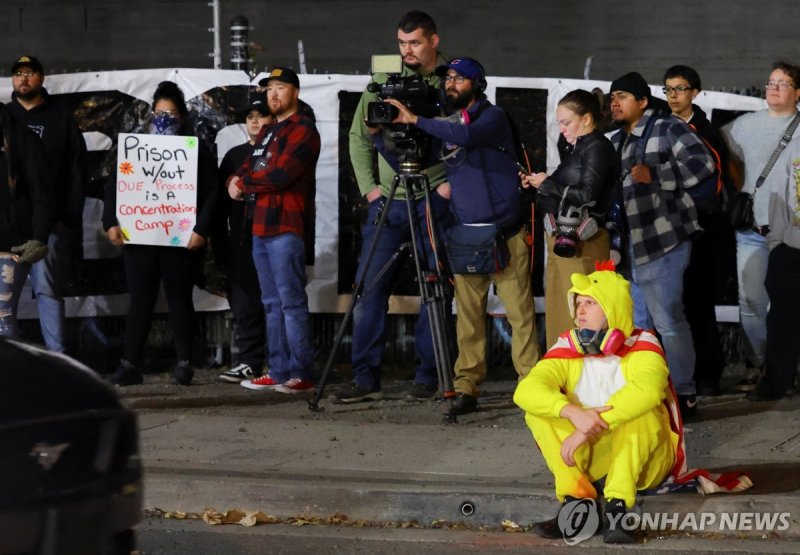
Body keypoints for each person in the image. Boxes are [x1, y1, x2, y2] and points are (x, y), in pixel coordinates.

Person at [380, 57, 540, 415]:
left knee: (521, 316)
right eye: (447, 78)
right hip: (467, 237)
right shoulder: (445, 126)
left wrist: (417, 119)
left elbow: (467, 135)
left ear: (477, 84)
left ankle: (531, 388)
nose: (450, 84)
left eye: (459, 78)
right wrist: (382, 137)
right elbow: (415, 162)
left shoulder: (492, 117)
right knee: (468, 318)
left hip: (506, 233)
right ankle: (467, 387)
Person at [330, 11, 452, 404]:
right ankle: (364, 377)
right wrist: (370, 191)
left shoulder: (451, 80)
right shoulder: (383, 82)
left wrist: (449, 185)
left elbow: (467, 135)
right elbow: (359, 137)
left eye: (415, 43)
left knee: (435, 288)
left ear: (433, 40)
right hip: (389, 201)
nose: (407, 51)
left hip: (432, 198)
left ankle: (428, 375)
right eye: (401, 44)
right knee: (368, 289)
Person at [514, 264, 678, 544]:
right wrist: (572, 413)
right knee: (539, 413)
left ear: (612, 307)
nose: (580, 310)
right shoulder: (567, 348)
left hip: (645, 464)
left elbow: (648, 390)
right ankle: (577, 505)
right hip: (591, 459)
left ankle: (618, 508)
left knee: (643, 413)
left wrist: (586, 427)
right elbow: (526, 390)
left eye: (590, 302)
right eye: (578, 303)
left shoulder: (644, 345)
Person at [607, 71, 715, 419]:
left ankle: (685, 394)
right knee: (641, 323)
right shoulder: (615, 140)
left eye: (622, 96)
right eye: (612, 98)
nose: (615, 103)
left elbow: (704, 164)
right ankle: (651, 391)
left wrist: (657, 176)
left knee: (668, 319)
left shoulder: (667, 127)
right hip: (633, 247)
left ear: (641, 101)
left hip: (664, 239)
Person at [103, 81, 218, 386]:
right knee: (140, 299)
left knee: (180, 297)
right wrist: (109, 221)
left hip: (178, 237)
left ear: (182, 115)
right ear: (151, 112)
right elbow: (114, 185)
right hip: (139, 235)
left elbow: (210, 193)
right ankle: (129, 363)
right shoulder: (135, 145)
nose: (165, 116)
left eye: (172, 112)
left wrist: (200, 230)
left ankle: (184, 362)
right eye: (160, 111)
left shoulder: (195, 149)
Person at [227, 66, 320, 394]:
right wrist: (233, 180)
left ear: (295, 91)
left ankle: (302, 372)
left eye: (280, 87)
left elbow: (281, 175)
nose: (274, 94)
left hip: (285, 227)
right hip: (261, 229)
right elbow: (247, 165)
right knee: (270, 302)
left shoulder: (303, 130)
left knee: (291, 302)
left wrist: (244, 184)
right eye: (270, 89)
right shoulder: (268, 132)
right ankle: (279, 369)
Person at [721, 61, 800, 391]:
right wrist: (740, 186)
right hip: (753, 230)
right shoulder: (744, 125)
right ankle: (762, 362)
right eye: (770, 82)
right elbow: (724, 151)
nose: (773, 88)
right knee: (750, 301)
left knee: (790, 302)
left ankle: (786, 366)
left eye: (782, 84)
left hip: (791, 232)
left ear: (797, 93)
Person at [521, 89, 617, 349]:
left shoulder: (597, 147)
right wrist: (540, 185)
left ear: (586, 119)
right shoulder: (578, 147)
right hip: (562, 237)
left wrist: (548, 183)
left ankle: (580, 370)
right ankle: (561, 367)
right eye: (559, 123)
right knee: (559, 308)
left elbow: (588, 194)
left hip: (584, 242)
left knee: (580, 310)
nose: (562, 129)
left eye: (566, 122)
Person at [7, 55, 87, 354]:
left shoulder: (60, 117)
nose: (23, 78)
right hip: (12, 227)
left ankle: (58, 360)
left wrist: (67, 217)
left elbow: (77, 170)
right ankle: (9, 362)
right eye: (18, 73)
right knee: (6, 297)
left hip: (51, 225)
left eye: (29, 73)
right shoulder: (6, 118)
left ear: (41, 78)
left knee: (47, 290)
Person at [662, 65, 730, 396]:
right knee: (672, 305)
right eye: (668, 89)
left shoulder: (705, 132)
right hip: (668, 229)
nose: (673, 95)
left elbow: (714, 182)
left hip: (700, 230)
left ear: (695, 93)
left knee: (699, 303)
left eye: (680, 88)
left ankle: (707, 373)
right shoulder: (659, 127)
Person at [215, 97, 273, 384]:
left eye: (260, 115)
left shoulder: (280, 152)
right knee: (245, 303)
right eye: (249, 116)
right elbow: (220, 203)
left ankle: (278, 363)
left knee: (275, 301)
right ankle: (249, 361)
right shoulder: (234, 156)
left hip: (274, 235)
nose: (254, 121)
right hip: (241, 240)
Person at [748, 134, 800, 401]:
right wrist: (776, 243)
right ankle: (779, 381)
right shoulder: (792, 148)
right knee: (782, 318)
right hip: (791, 247)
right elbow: (777, 195)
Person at [0, 104, 55, 338]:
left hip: (12, 243)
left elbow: (43, 193)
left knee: (3, 320)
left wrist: (38, 239)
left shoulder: (23, 139)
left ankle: (13, 373)